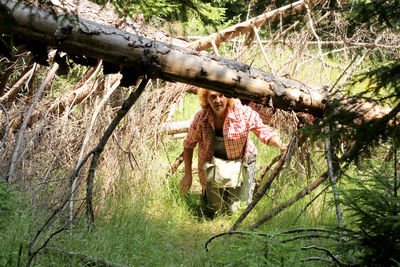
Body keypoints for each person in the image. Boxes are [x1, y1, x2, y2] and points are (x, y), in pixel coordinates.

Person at [179, 89, 287, 215]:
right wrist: (188, 175)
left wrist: (280, 144)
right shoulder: (201, 117)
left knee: (236, 211)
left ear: (229, 97)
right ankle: (210, 195)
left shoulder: (242, 113)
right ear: (206, 99)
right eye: (213, 97)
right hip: (213, 165)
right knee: (215, 210)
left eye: (222, 95)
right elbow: (188, 144)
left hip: (240, 162)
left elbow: (263, 131)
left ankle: (239, 191)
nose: (218, 101)